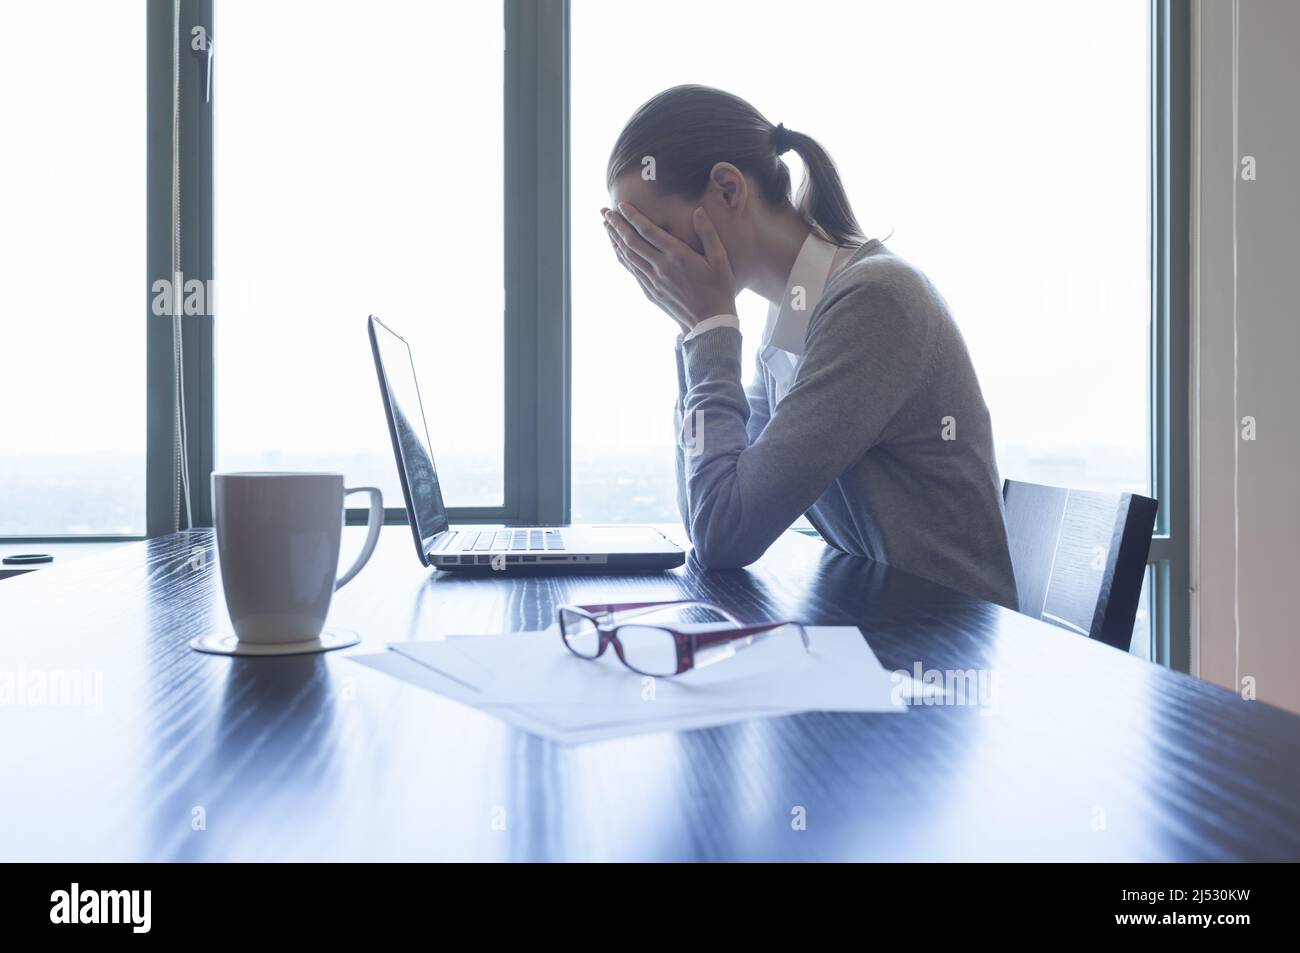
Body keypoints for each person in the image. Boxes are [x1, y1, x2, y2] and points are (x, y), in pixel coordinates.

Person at [601, 84, 1018, 610]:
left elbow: (725, 535)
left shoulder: (874, 300)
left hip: (938, 647)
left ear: (728, 190)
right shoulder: (793, 311)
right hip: (880, 626)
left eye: (655, 235)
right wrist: (695, 333)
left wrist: (707, 329)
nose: (653, 264)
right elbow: (709, 506)